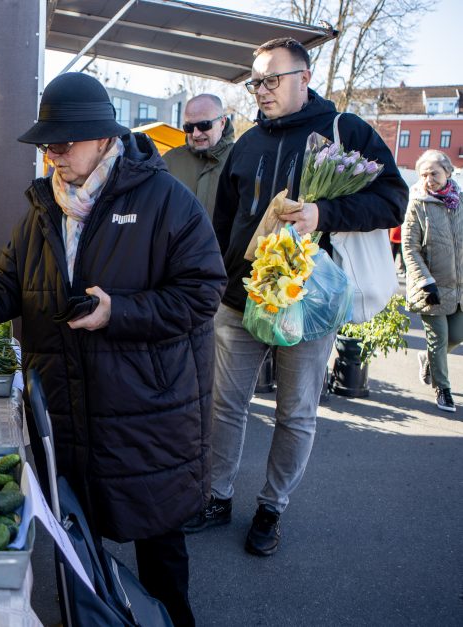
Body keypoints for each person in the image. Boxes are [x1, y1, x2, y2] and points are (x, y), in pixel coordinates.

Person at [0, 72, 227, 626]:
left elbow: (203, 292)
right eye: (47, 146)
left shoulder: (167, 201)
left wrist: (120, 312)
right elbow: (2, 289)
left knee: (161, 559)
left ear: (102, 138)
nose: (53, 157)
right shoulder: (44, 209)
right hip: (66, 416)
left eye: (64, 144)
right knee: (76, 552)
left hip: (148, 417)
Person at [189, 37, 408, 556]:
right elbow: (224, 222)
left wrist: (323, 215)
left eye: (272, 79)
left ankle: (271, 508)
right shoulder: (245, 143)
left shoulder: (345, 132)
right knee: (225, 405)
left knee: (295, 413)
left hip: (306, 305)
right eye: (255, 81)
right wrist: (218, 286)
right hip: (240, 302)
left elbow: (394, 199)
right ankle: (216, 497)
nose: (261, 90)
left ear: (304, 78)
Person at [403, 150, 462, 413]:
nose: (429, 179)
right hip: (430, 286)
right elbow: (409, 246)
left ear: (448, 173)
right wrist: (425, 282)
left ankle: (427, 360)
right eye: (424, 174)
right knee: (438, 338)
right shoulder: (418, 203)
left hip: (458, 285)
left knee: (457, 334)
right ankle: (443, 389)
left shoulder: (459, 201)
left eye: (434, 173)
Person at [162, 93, 235, 219]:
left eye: (204, 125)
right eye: (189, 127)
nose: (195, 134)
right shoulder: (169, 161)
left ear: (222, 123)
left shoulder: (239, 159)